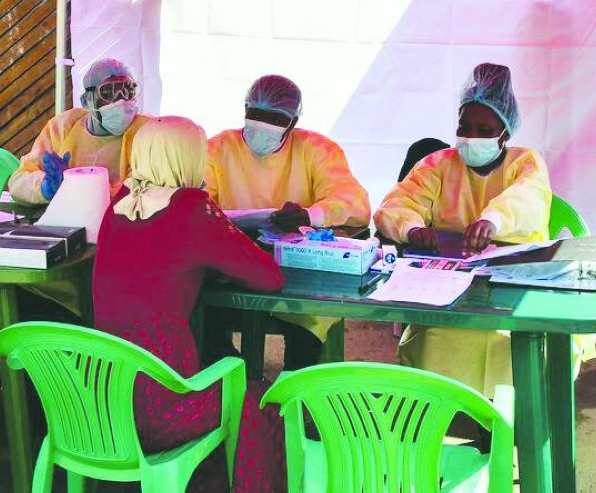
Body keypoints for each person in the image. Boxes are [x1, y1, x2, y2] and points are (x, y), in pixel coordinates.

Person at [93, 117, 286, 492]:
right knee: (259, 400)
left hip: (105, 402)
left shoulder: (119, 204)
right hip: (163, 407)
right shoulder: (192, 209)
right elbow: (268, 277)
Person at [374, 63, 557, 397]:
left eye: (484, 130)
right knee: (436, 339)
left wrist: (493, 220)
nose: (471, 138)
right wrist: (412, 229)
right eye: (465, 127)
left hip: (512, 289)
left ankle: (501, 421)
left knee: (506, 345)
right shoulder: (438, 164)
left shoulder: (525, 162)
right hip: (448, 289)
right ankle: (436, 412)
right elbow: (396, 205)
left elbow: (528, 199)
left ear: (505, 133)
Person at [204, 74, 371, 369]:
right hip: (230, 262)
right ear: (245, 109)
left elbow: (354, 203)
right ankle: (232, 380)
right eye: (255, 115)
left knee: (307, 325)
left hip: (299, 266)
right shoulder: (217, 148)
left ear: (293, 123)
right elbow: (198, 202)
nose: (262, 125)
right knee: (204, 314)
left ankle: (293, 388)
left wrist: (310, 215)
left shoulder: (317, 149)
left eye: (275, 120)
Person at [7, 58, 153, 321]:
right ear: (88, 101)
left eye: (128, 90)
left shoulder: (147, 131)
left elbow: (144, 190)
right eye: (109, 93)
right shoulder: (63, 127)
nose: (121, 101)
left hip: (118, 244)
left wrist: (79, 190)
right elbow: (19, 181)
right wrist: (47, 187)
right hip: (60, 240)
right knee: (20, 290)